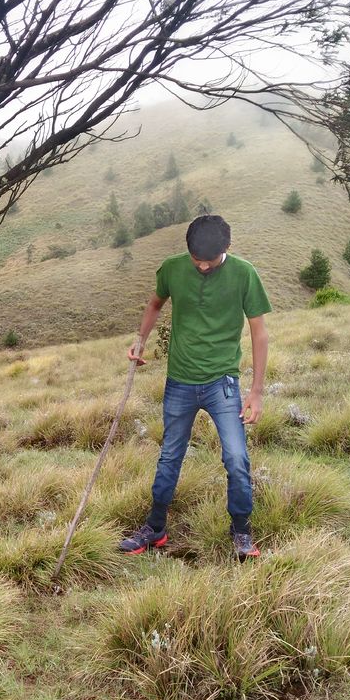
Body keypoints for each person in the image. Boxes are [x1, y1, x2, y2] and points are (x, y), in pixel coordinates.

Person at [118, 215, 270, 560]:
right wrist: (139, 340)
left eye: (210, 261)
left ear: (226, 249)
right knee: (170, 454)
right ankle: (155, 529)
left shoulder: (245, 273)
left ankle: (242, 532)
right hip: (180, 383)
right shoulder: (172, 268)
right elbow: (155, 303)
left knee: (235, 457)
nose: (202, 266)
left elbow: (259, 333)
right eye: (195, 260)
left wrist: (257, 391)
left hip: (222, 382)